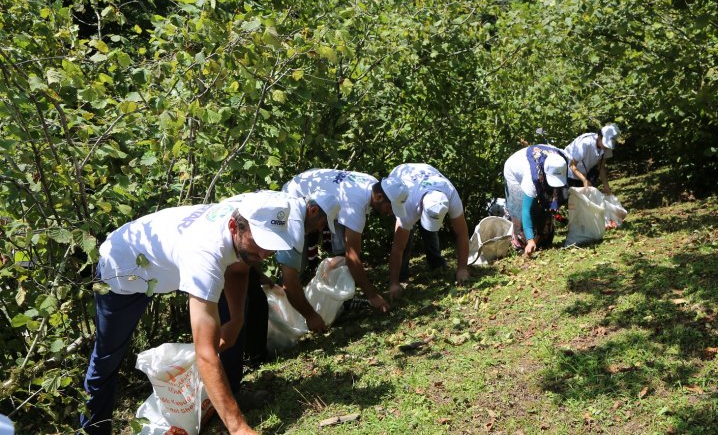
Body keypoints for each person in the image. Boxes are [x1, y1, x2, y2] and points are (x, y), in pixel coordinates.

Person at [80, 190, 338, 435]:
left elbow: (238, 269)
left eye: (271, 244)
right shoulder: (205, 253)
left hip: (160, 265)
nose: (264, 253)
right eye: (260, 242)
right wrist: (238, 428)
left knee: (231, 322)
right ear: (235, 228)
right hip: (123, 273)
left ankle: (227, 397)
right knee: (107, 358)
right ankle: (94, 429)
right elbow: (205, 353)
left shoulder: (243, 227)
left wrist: (236, 320)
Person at [282, 169, 409, 314]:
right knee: (295, 263)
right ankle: (291, 309)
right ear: (379, 197)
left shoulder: (373, 185)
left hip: (323, 202)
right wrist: (373, 296)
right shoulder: (355, 204)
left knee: (340, 254)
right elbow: (352, 257)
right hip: (298, 196)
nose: (391, 213)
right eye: (391, 207)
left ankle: (340, 300)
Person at [385, 163, 470, 299]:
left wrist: (462, 269)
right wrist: (393, 283)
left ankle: (436, 263)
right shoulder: (407, 204)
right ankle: (402, 276)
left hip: (426, 175)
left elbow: (462, 233)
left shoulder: (451, 194)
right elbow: (398, 247)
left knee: (430, 231)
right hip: (401, 175)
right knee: (405, 238)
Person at [503, 144, 569, 257]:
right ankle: (521, 245)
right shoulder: (531, 176)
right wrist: (530, 240)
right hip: (514, 172)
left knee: (544, 205)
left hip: (539, 168)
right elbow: (525, 210)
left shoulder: (562, 161)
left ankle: (543, 240)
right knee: (520, 210)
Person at [565, 123, 620, 194]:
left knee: (584, 198)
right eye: (605, 143)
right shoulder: (585, 143)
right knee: (569, 198)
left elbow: (601, 167)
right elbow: (572, 165)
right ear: (599, 137)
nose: (606, 147)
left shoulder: (607, 147)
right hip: (569, 172)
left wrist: (606, 186)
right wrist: (584, 180)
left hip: (584, 172)